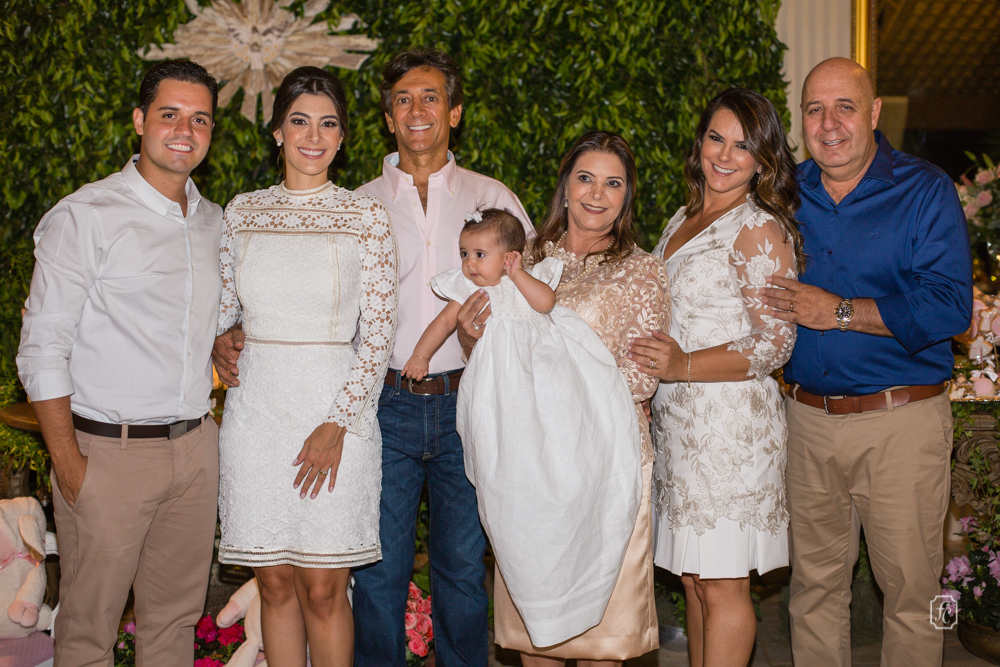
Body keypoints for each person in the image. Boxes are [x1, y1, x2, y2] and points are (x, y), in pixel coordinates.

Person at [212, 50, 532, 666]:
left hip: (467, 397)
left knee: (463, 568)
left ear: (454, 112)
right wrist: (222, 337)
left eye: (431, 97)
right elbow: (235, 307)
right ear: (387, 119)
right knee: (377, 575)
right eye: (403, 100)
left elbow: (527, 300)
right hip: (381, 399)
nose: (417, 110)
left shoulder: (490, 198)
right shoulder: (361, 201)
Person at [758, 57, 972, 665]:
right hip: (806, 423)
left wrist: (841, 312)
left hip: (901, 424)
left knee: (914, 595)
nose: (829, 124)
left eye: (845, 107)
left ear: (874, 113)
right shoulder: (782, 194)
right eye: (815, 109)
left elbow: (951, 307)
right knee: (812, 593)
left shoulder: (925, 189)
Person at [16, 60, 222, 667]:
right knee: (88, 631)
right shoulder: (86, 216)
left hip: (195, 449)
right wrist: (69, 464)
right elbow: (41, 348)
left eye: (200, 119)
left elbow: (199, 323)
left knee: (175, 624)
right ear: (139, 120)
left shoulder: (213, 221)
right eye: (169, 114)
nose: (185, 130)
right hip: (109, 454)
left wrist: (224, 339)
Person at [214, 66, 397, 666]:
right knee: (273, 584)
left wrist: (337, 422)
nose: (313, 136)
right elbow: (225, 313)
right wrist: (222, 338)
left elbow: (379, 335)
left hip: (336, 415)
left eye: (328, 124)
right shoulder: (241, 213)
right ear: (277, 132)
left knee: (322, 587)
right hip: (256, 416)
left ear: (342, 138)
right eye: (299, 121)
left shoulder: (365, 217)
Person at [465, 131, 667, 665]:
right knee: (538, 643)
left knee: (604, 645)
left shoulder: (641, 269)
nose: (597, 194)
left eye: (613, 183)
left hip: (608, 463)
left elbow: (643, 375)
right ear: (565, 186)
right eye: (585, 178)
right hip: (529, 467)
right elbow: (494, 356)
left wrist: (561, 401)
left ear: (627, 195)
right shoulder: (521, 257)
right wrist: (470, 336)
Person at [405, 208, 642, 648]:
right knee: (498, 455)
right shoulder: (468, 290)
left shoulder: (525, 281)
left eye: (480, 254)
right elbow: (443, 323)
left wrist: (518, 276)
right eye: (464, 253)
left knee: (555, 440)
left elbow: (546, 303)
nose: (469, 263)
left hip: (543, 383)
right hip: (498, 393)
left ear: (510, 256)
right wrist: (421, 356)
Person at [627, 88, 802, 667]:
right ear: (700, 141)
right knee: (696, 582)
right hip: (679, 426)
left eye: (743, 146)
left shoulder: (758, 228)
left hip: (729, 431)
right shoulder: (684, 217)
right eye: (716, 138)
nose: (725, 155)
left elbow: (776, 342)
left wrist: (682, 365)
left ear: (763, 159)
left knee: (723, 584)